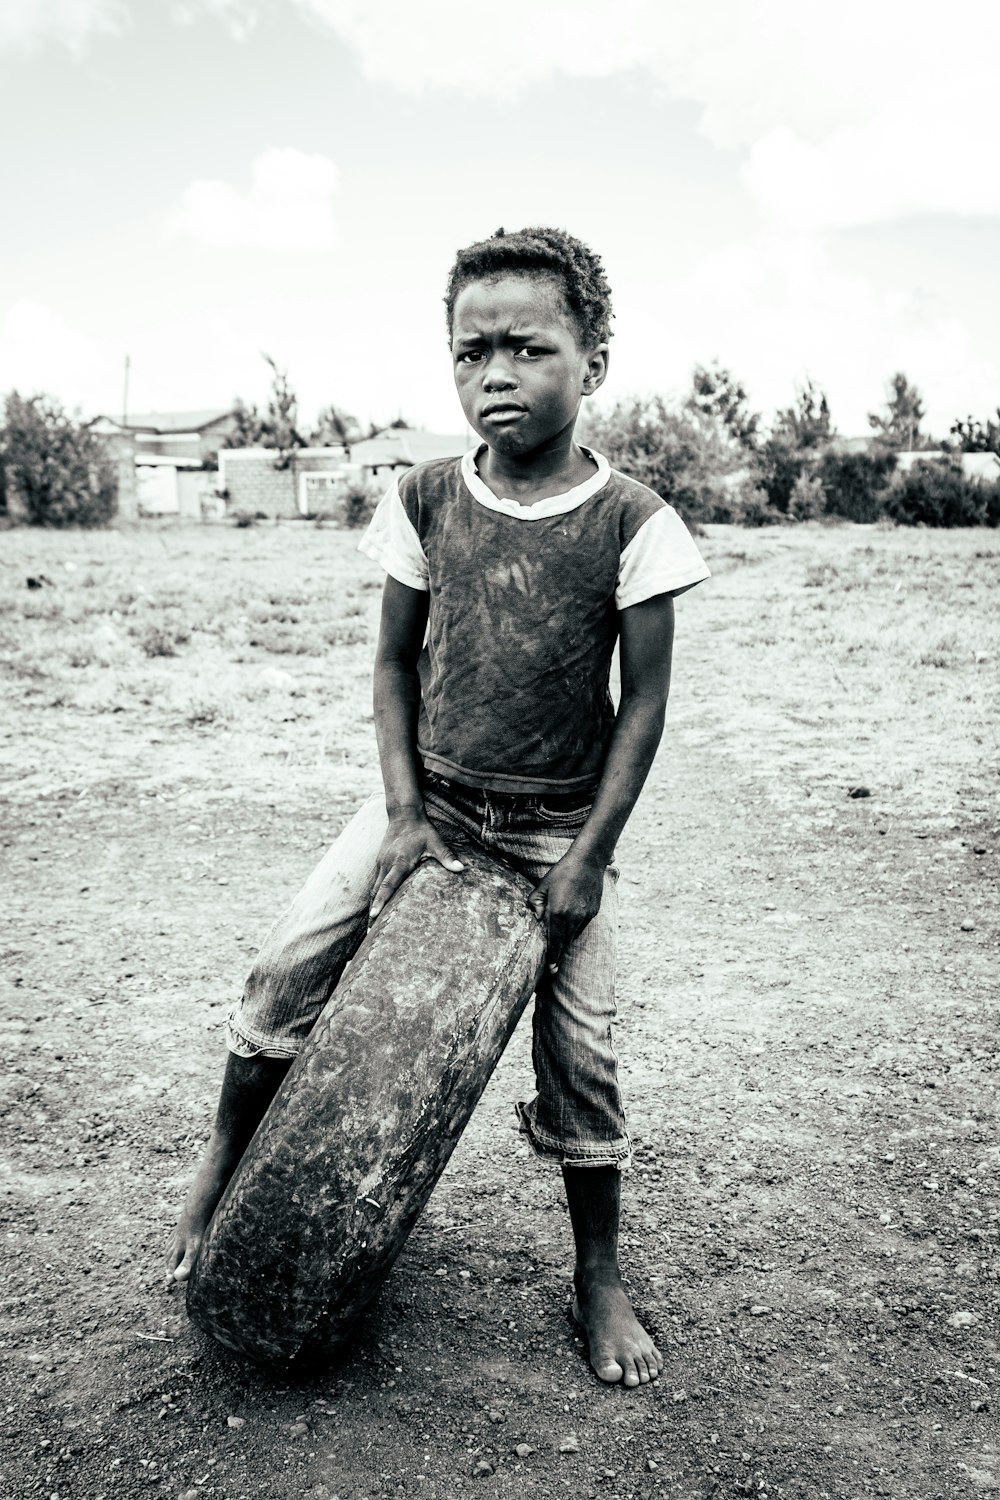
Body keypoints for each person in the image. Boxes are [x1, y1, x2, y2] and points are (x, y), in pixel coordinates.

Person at [168, 226, 710, 1389]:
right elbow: (391, 667)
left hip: (559, 828)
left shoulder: (635, 523)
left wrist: (589, 861)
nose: (494, 375)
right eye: (470, 354)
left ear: (593, 359)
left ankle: (597, 1275)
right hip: (433, 805)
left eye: (527, 348)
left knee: (585, 1057)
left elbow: (644, 708)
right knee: (284, 972)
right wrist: (404, 817)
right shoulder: (422, 497)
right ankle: (219, 1170)